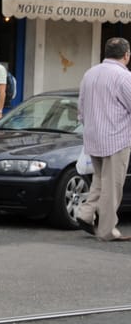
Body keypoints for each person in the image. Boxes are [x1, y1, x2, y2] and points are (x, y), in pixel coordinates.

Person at [74, 37, 131, 241]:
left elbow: (80, 108)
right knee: (112, 186)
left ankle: (85, 213)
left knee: (99, 180)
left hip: (93, 137)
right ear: (126, 55)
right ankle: (107, 229)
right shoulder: (123, 77)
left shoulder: (90, 74)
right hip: (117, 137)